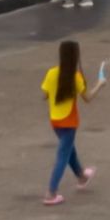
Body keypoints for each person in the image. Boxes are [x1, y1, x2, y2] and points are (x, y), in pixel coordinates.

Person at [40, 35, 99, 203]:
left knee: (68, 149)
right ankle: (51, 193)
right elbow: (87, 98)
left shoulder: (51, 73)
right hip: (70, 121)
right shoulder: (76, 77)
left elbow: (44, 95)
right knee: (63, 155)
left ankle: (81, 176)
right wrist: (100, 84)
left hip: (55, 120)